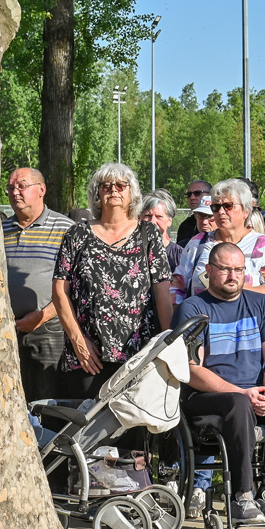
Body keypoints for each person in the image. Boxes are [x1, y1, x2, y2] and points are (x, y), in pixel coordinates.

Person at [174, 243, 265, 525]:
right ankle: (242, 496)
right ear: (208, 270)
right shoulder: (193, 308)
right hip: (209, 400)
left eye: (238, 269)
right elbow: (191, 370)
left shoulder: (262, 304)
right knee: (237, 403)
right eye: (225, 269)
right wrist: (242, 393)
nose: (233, 276)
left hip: (253, 397)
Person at [52, 163, 172, 398]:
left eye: (120, 185)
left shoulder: (148, 233)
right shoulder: (76, 234)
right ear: (97, 192)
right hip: (89, 357)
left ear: (131, 192)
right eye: (106, 186)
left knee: (134, 421)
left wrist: (167, 343)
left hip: (140, 355)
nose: (113, 190)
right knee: (87, 420)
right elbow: (59, 292)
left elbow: (162, 293)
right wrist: (78, 341)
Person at [3, 167, 74, 403]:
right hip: (7, 330)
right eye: (11, 188)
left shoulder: (66, 229)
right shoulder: (0, 230)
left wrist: (43, 316)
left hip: (48, 329)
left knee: (46, 401)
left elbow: (76, 285)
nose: (15, 192)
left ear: (41, 189)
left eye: (22, 186)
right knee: (11, 398)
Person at [171, 179, 265, 306]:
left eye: (228, 206)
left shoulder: (264, 245)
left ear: (246, 211)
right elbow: (176, 289)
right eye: (216, 207)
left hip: (248, 318)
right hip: (203, 318)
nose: (221, 212)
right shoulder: (197, 244)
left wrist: (231, 291)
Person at [141, 189, 183, 274]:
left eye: (159, 216)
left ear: (169, 221)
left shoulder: (179, 256)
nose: (152, 221)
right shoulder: (130, 252)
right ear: (139, 218)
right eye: (147, 215)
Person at [176, 179, 212, 246]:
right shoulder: (185, 226)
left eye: (197, 193)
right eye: (189, 194)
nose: (192, 197)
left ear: (210, 194)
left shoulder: (223, 225)